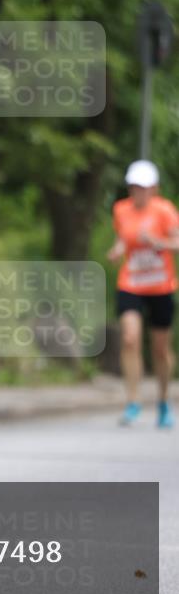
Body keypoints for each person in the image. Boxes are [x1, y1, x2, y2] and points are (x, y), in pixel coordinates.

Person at [107, 159, 179, 428]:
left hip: (160, 285)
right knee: (129, 337)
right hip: (131, 283)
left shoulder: (165, 211)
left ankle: (162, 400)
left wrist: (158, 242)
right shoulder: (121, 210)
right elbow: (123, 238)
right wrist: (117, 249)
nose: (139, 192)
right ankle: (133, 401)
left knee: (160, 349)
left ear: (154, 189)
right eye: (134, 187)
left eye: (144, 187)